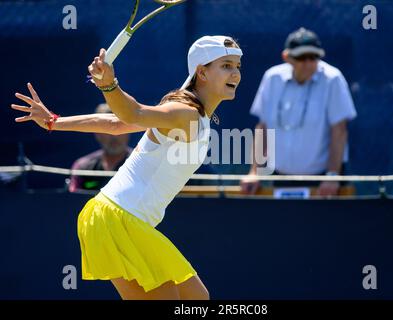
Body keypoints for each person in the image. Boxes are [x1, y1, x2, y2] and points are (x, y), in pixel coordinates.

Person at [11, 35, 242, 300]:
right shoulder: (185, 113)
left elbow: (116, 124)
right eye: (226, 65)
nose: (235, 73)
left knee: (197, 299)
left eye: (237, 66)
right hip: (118, 216)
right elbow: (133, 114)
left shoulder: (194, 115)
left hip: (111, 217)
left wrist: (53, 121)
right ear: (202, 71)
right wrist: (109, 86)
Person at [241, 27, 357, 196]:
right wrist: (254, 173)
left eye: (314, 57)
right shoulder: (271, 78)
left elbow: (339, 131)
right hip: (280, 178)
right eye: (302, 57)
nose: (309, 63)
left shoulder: (333, 79)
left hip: (323, 183)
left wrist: (332, 176)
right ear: (287, 57)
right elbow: (263, 128)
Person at [68, 103, 132, 193]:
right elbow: (71, 201)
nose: (114, 135)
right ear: (97, 133)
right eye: (107, 129)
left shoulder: (142, 164)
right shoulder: (82, 166)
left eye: (121, 127)